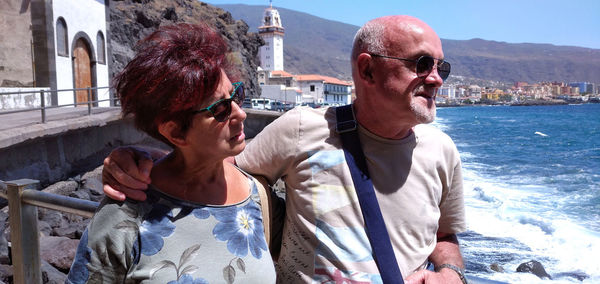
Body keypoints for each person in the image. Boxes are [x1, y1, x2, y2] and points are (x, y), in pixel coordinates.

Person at [102, 15, 467, 284]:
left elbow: (445, 236)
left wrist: (450, 271)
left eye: (441, 67)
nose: (435, 78)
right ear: (367, 71)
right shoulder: (300, 129)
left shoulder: (443, 151)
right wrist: (142, 159)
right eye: (421, 64)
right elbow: (212, 163)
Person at [66, 23, 277, 283]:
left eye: (237, 95)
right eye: (221, 109)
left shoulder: (256, 195)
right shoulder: (125, 216)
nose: (241, 114)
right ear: (175, 133)